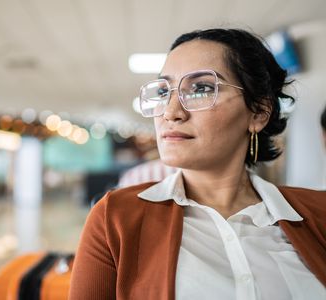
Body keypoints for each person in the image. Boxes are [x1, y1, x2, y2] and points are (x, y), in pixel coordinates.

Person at [69, 29, 326, 299]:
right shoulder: (117, 218)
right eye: (164, 91)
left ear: (259, 113)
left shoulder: (317, 214)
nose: (171, 112)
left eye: (201, 89)